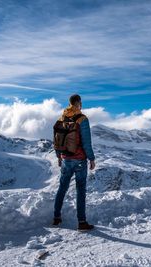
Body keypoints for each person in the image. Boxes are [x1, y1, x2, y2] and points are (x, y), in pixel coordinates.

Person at [52, 94, 96, 231]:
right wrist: (91, 158)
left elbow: (57, 140)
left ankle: (56, 217)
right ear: (79, 103)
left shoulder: (62, 118)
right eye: (81, 103)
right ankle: (82, 222)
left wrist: (59, 156)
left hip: (65, 158)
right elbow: (86, 142)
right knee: (80, 190)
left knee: (62, 188)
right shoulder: (82, 119)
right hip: (79, 160)